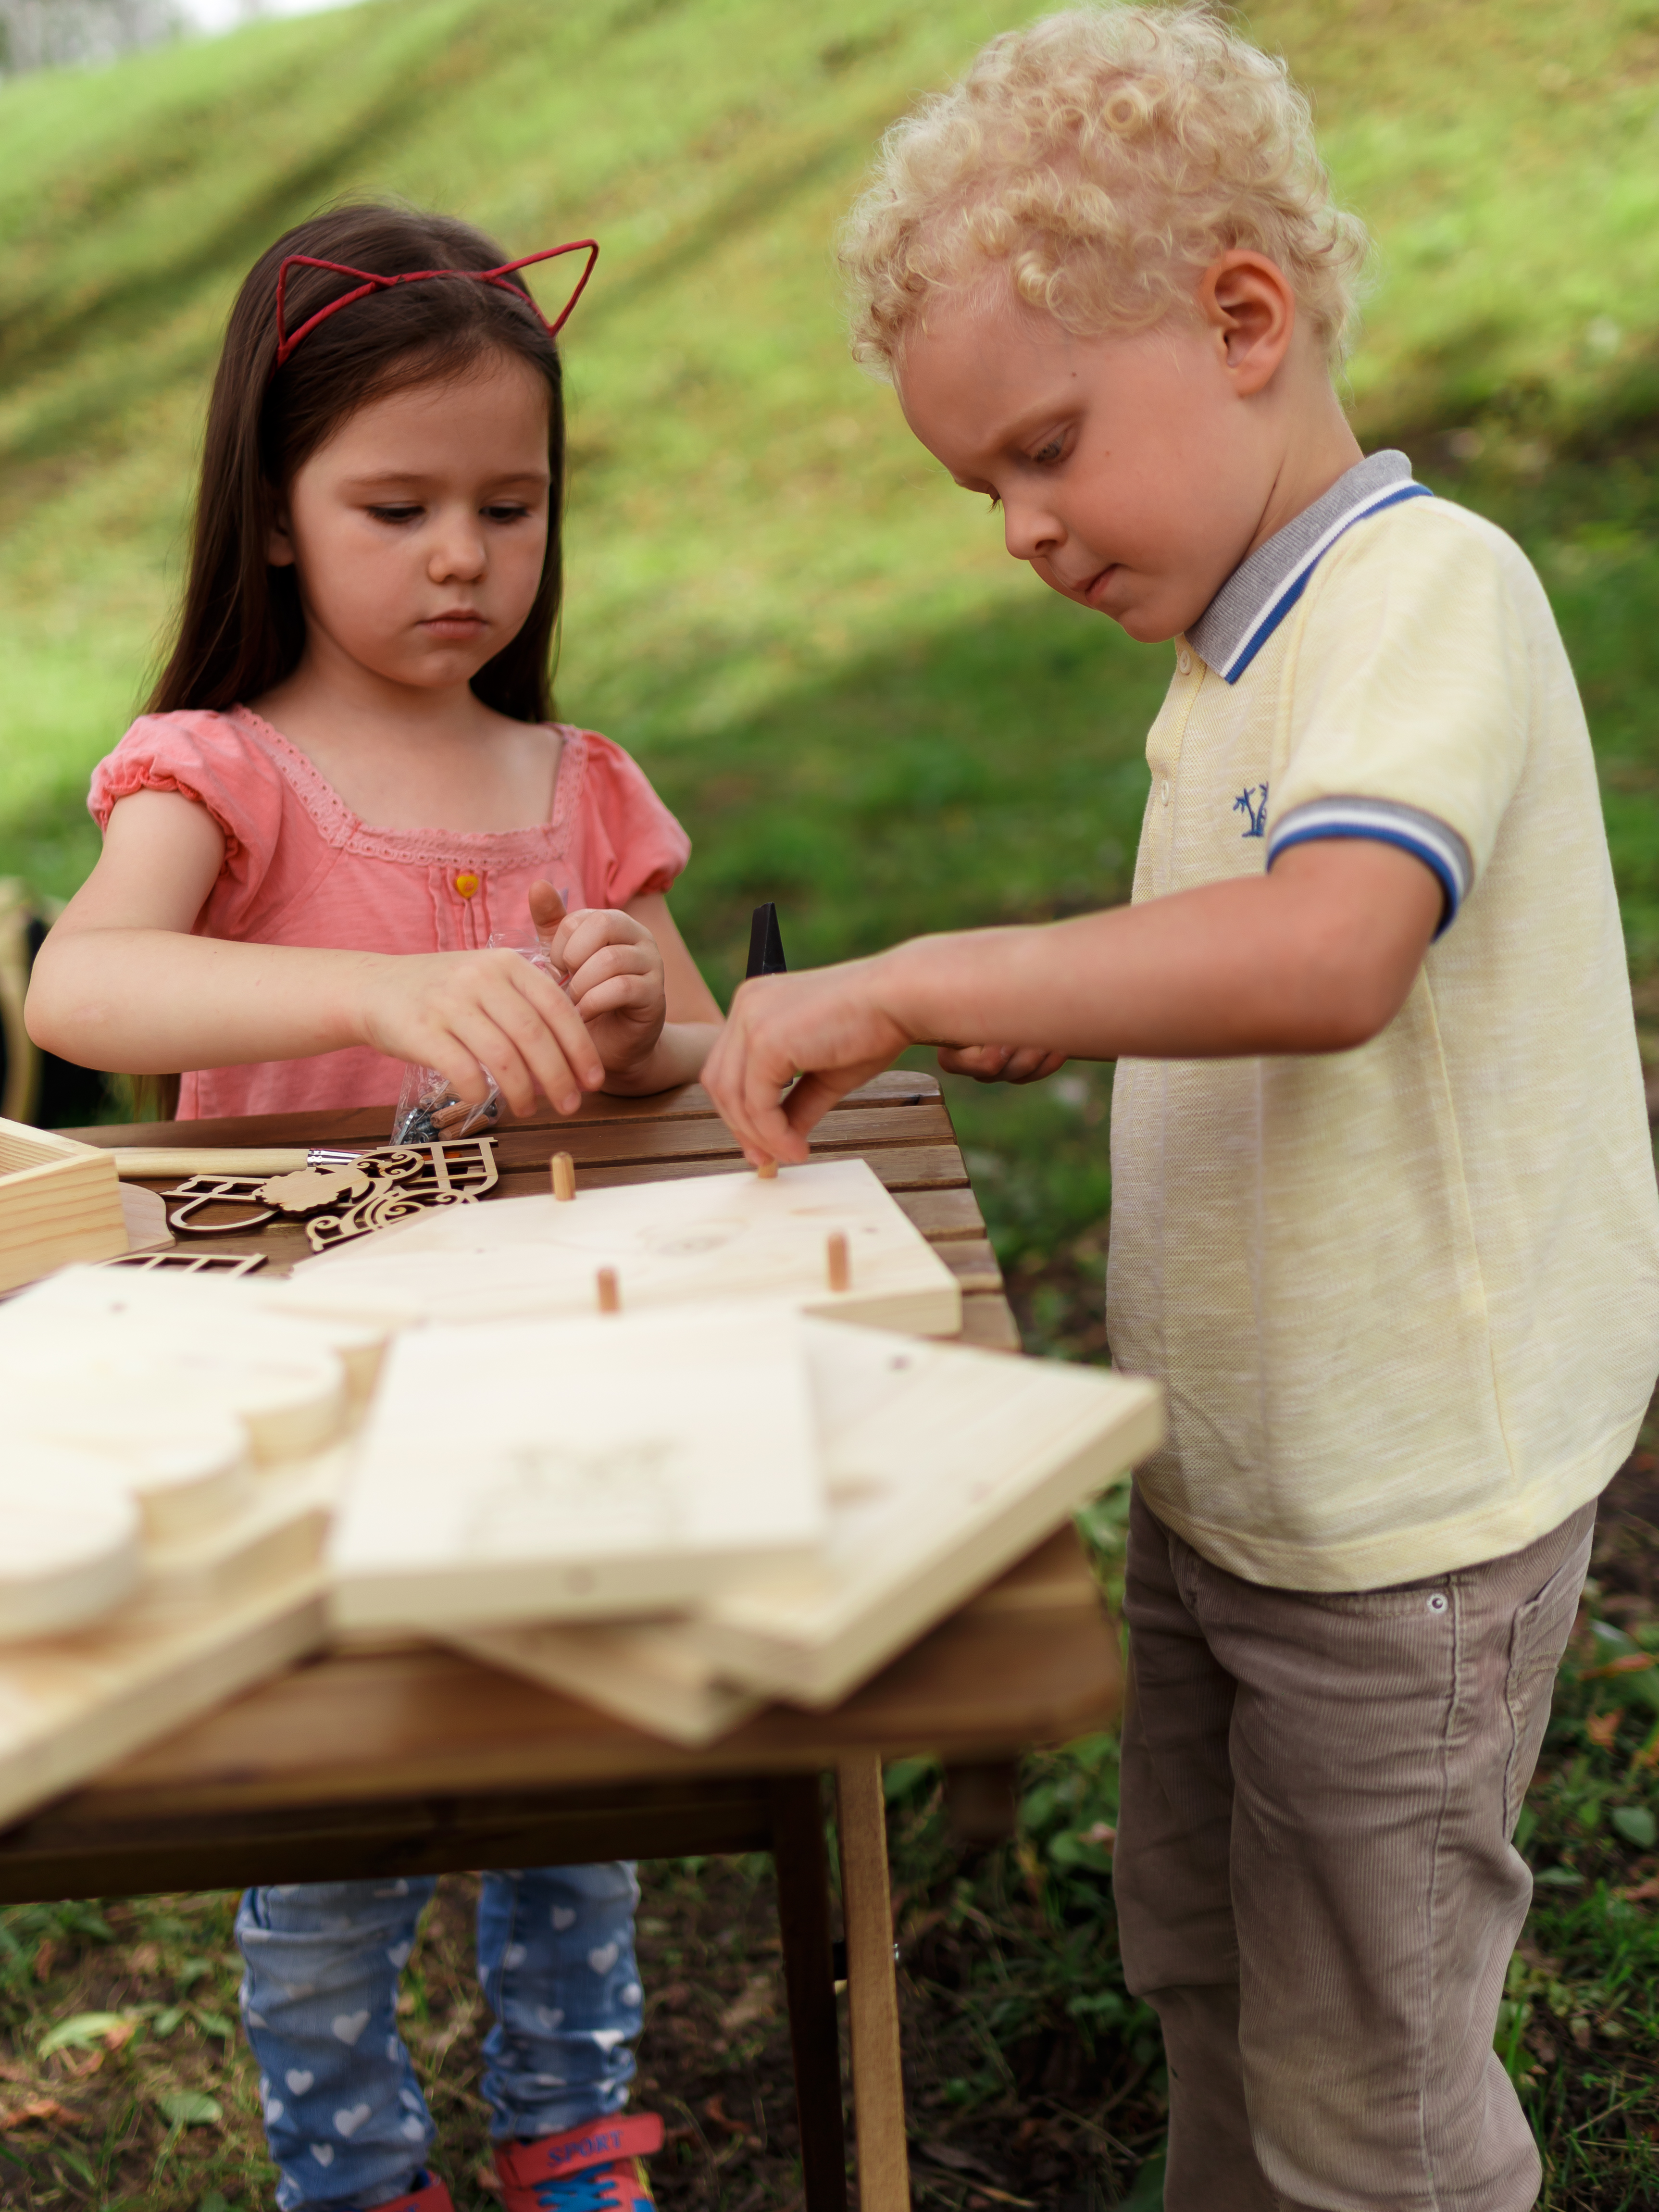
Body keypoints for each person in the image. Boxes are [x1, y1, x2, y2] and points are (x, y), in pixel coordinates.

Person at [698, 9, 1659, 2209]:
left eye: (1041, 448)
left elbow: (1328, 955)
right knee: (1212, 1969)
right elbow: (1237, 946)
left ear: (1241, 316)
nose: (1018, 529)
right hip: (1235, 1483)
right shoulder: (1232, 648)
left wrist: (936, 968)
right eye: (980, 489)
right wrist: (1072, 1005)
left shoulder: (1427, 594)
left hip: (1404, 1527)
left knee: (1372, 2090)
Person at [26, 201, 721, 2212]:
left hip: (538, 1383)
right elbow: (80, 986)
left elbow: (695, 1052)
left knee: (565, 1784)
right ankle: (352, 2165)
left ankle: (571, 2127)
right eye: (396, 502)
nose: (459, 556)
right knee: (326, 1813)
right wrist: (368, 986)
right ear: (270, 510)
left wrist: (622, 1007)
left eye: (509, 505)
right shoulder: (219, 773)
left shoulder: (576, 781)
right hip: (280, 1399)